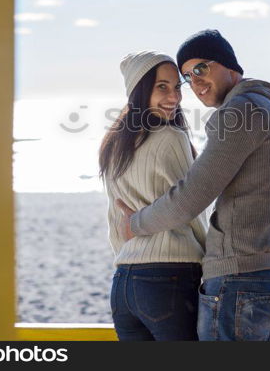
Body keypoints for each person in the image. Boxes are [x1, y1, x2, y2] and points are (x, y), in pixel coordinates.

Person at [116, 29, 270, 341]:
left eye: (202, 68)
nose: (196, 83)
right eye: (188, 77)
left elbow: (193, 194)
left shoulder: (240, 111)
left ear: (230, 66)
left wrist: (135, 224)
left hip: (240, 283)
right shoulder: (268, 111)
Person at [99, 51, 207, 341]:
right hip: (172, 277)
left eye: (177, 87)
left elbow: (116, 221)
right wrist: (208, 262)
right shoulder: (172, 137)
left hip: (123, 284)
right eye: (162, 87)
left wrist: (129, 259)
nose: (174, 97)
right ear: (140, 89)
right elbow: (191, 208)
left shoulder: (112, 145)